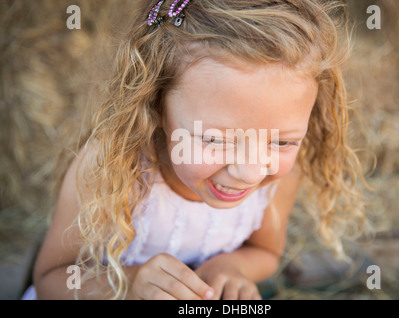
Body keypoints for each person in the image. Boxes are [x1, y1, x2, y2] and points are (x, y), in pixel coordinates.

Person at [23, 0, 366, 300]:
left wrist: (231, 266)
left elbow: (266, 252)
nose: (251, 172)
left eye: (281, 141)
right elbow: (50, 280)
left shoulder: (280, 178)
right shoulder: (109, 168)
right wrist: (130, 283)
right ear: (155, 105)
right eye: (215, 139)